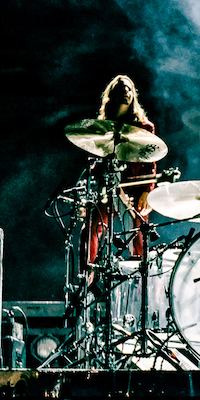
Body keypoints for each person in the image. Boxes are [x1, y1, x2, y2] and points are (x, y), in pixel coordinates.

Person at [82, 75, 156, 272]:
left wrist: (148, 191)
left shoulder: (144, 127)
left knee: (138, 234)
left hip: (134, 188)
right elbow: (95, 163)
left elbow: (150, 162)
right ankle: (89, 277)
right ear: (112, 96)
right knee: (90, 228)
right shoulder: (102, 127)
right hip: (107, 187)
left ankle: (139, 278)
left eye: (129, 89)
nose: (126, 93)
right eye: (122, 90)